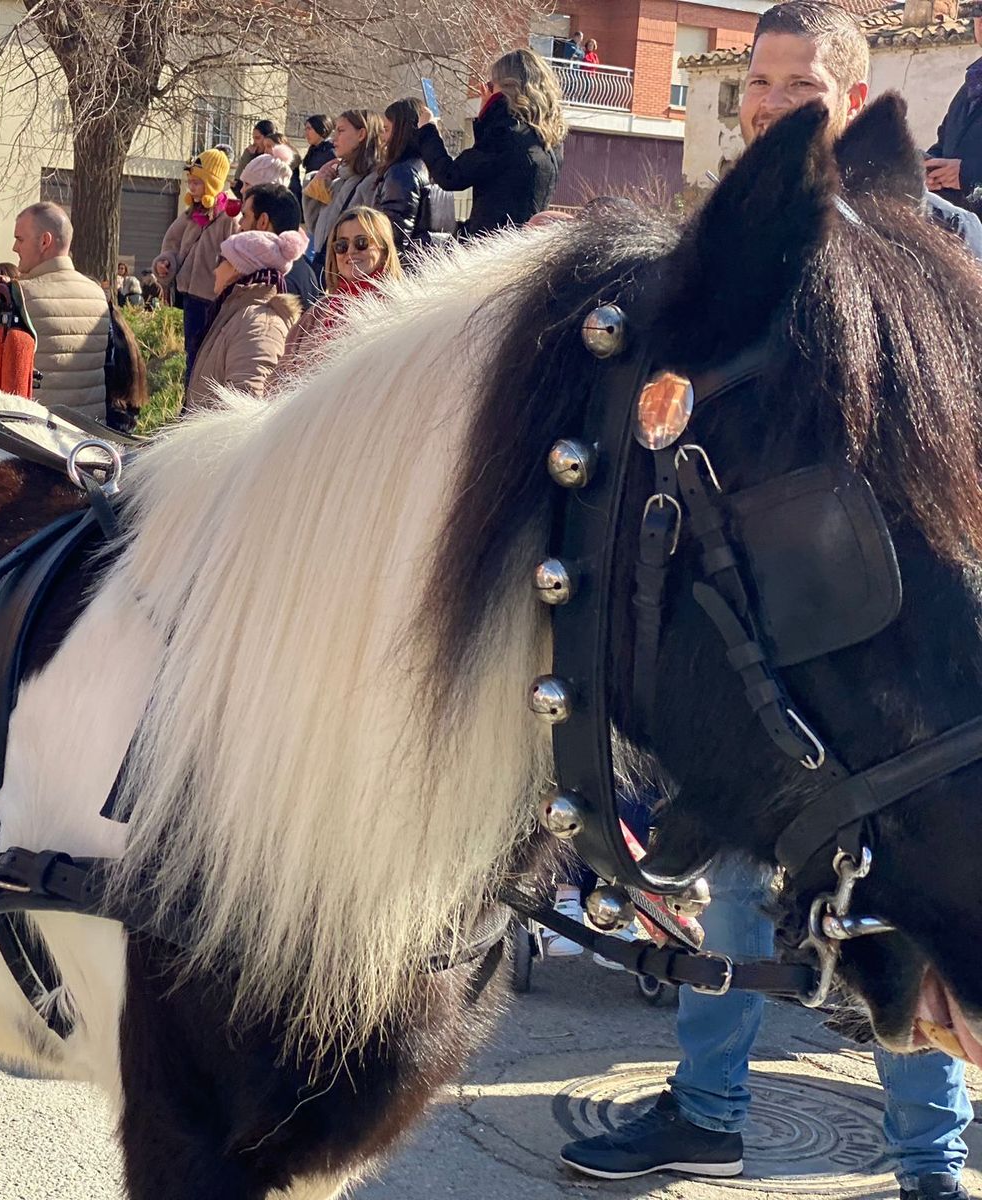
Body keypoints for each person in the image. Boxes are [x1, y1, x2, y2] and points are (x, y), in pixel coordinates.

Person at [561, 11, 974, 1199]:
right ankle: (708, 1108)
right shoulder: (736, 238)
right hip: (763, 627)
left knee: (902, 898)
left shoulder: (925, 238)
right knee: (737, 872)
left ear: (850, 100)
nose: (768, 100)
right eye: (756, 80)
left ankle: (929, 1165)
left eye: (800, 82)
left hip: (882, 647)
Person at [416, 48, 566, 238]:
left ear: (506, 88)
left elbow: (450, 176)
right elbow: (494, 171)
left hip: (493, 245)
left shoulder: (505, 133)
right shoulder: (549, 139)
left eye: (490, 85)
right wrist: (487, 115)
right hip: (526, 243)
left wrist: (428, 130)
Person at [183, 228, 305, 411]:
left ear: (239, 268)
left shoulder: (260, 324)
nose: (215, 270)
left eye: (221, 260)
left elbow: (245, 409)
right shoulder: (237, 315)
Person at [12, 201, 110, 420]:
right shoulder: (97, 294)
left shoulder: (21, 294)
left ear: (45, 241)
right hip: (90, 433)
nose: (15, 248)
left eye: (20, 239)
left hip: (37, 434)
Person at [154, 149, 239, 379]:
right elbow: (172, 243)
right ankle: (190, 397)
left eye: (197, 183)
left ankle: (197, 399)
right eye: (190, 182)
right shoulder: (191, 214)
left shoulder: (229, 217)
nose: (191, 188)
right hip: (191, 297)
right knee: (192, 351)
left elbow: (234, 254)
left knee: (206, 353)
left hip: (212, 297)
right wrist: (166, 263)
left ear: (212, 184)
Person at [283, 206, 401, 359]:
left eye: (361, 242)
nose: (351, 251)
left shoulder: (401, 308)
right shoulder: (317, 313)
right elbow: (284, 372)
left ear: (384, 251)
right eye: (342, 246)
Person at [306, 110, 383, 276]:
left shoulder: (373, 181)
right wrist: (317, 183)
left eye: (341, 131)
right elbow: (315, 229)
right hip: (326, 270)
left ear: (362, 134)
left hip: (349, 277)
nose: (334, 139)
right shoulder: (340, 180)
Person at [375, 96, 453, 257]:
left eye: (387, 129)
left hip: (406, 270)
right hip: (435, 263)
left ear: (402, 132)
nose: (383, 138)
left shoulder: (402, 172)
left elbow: (395, 236)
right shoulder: (435, 170)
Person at [924, 13, 982, 211]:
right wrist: (930, 169)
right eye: (978, 11)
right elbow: (944, 146)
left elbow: (967, 176)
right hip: (958, 235)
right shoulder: (970, 85)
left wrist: (968, 177)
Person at [241, 183, 319, 307]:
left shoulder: (272, 282)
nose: (240, 224)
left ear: (263, 221)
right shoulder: (301, 265)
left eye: (244, 216)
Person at [302, 115, 337, 187]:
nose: (306, 133)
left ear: (320, 129)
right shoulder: (313, 149)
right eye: (305, 129)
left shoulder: (331, 152)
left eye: (309, 129)